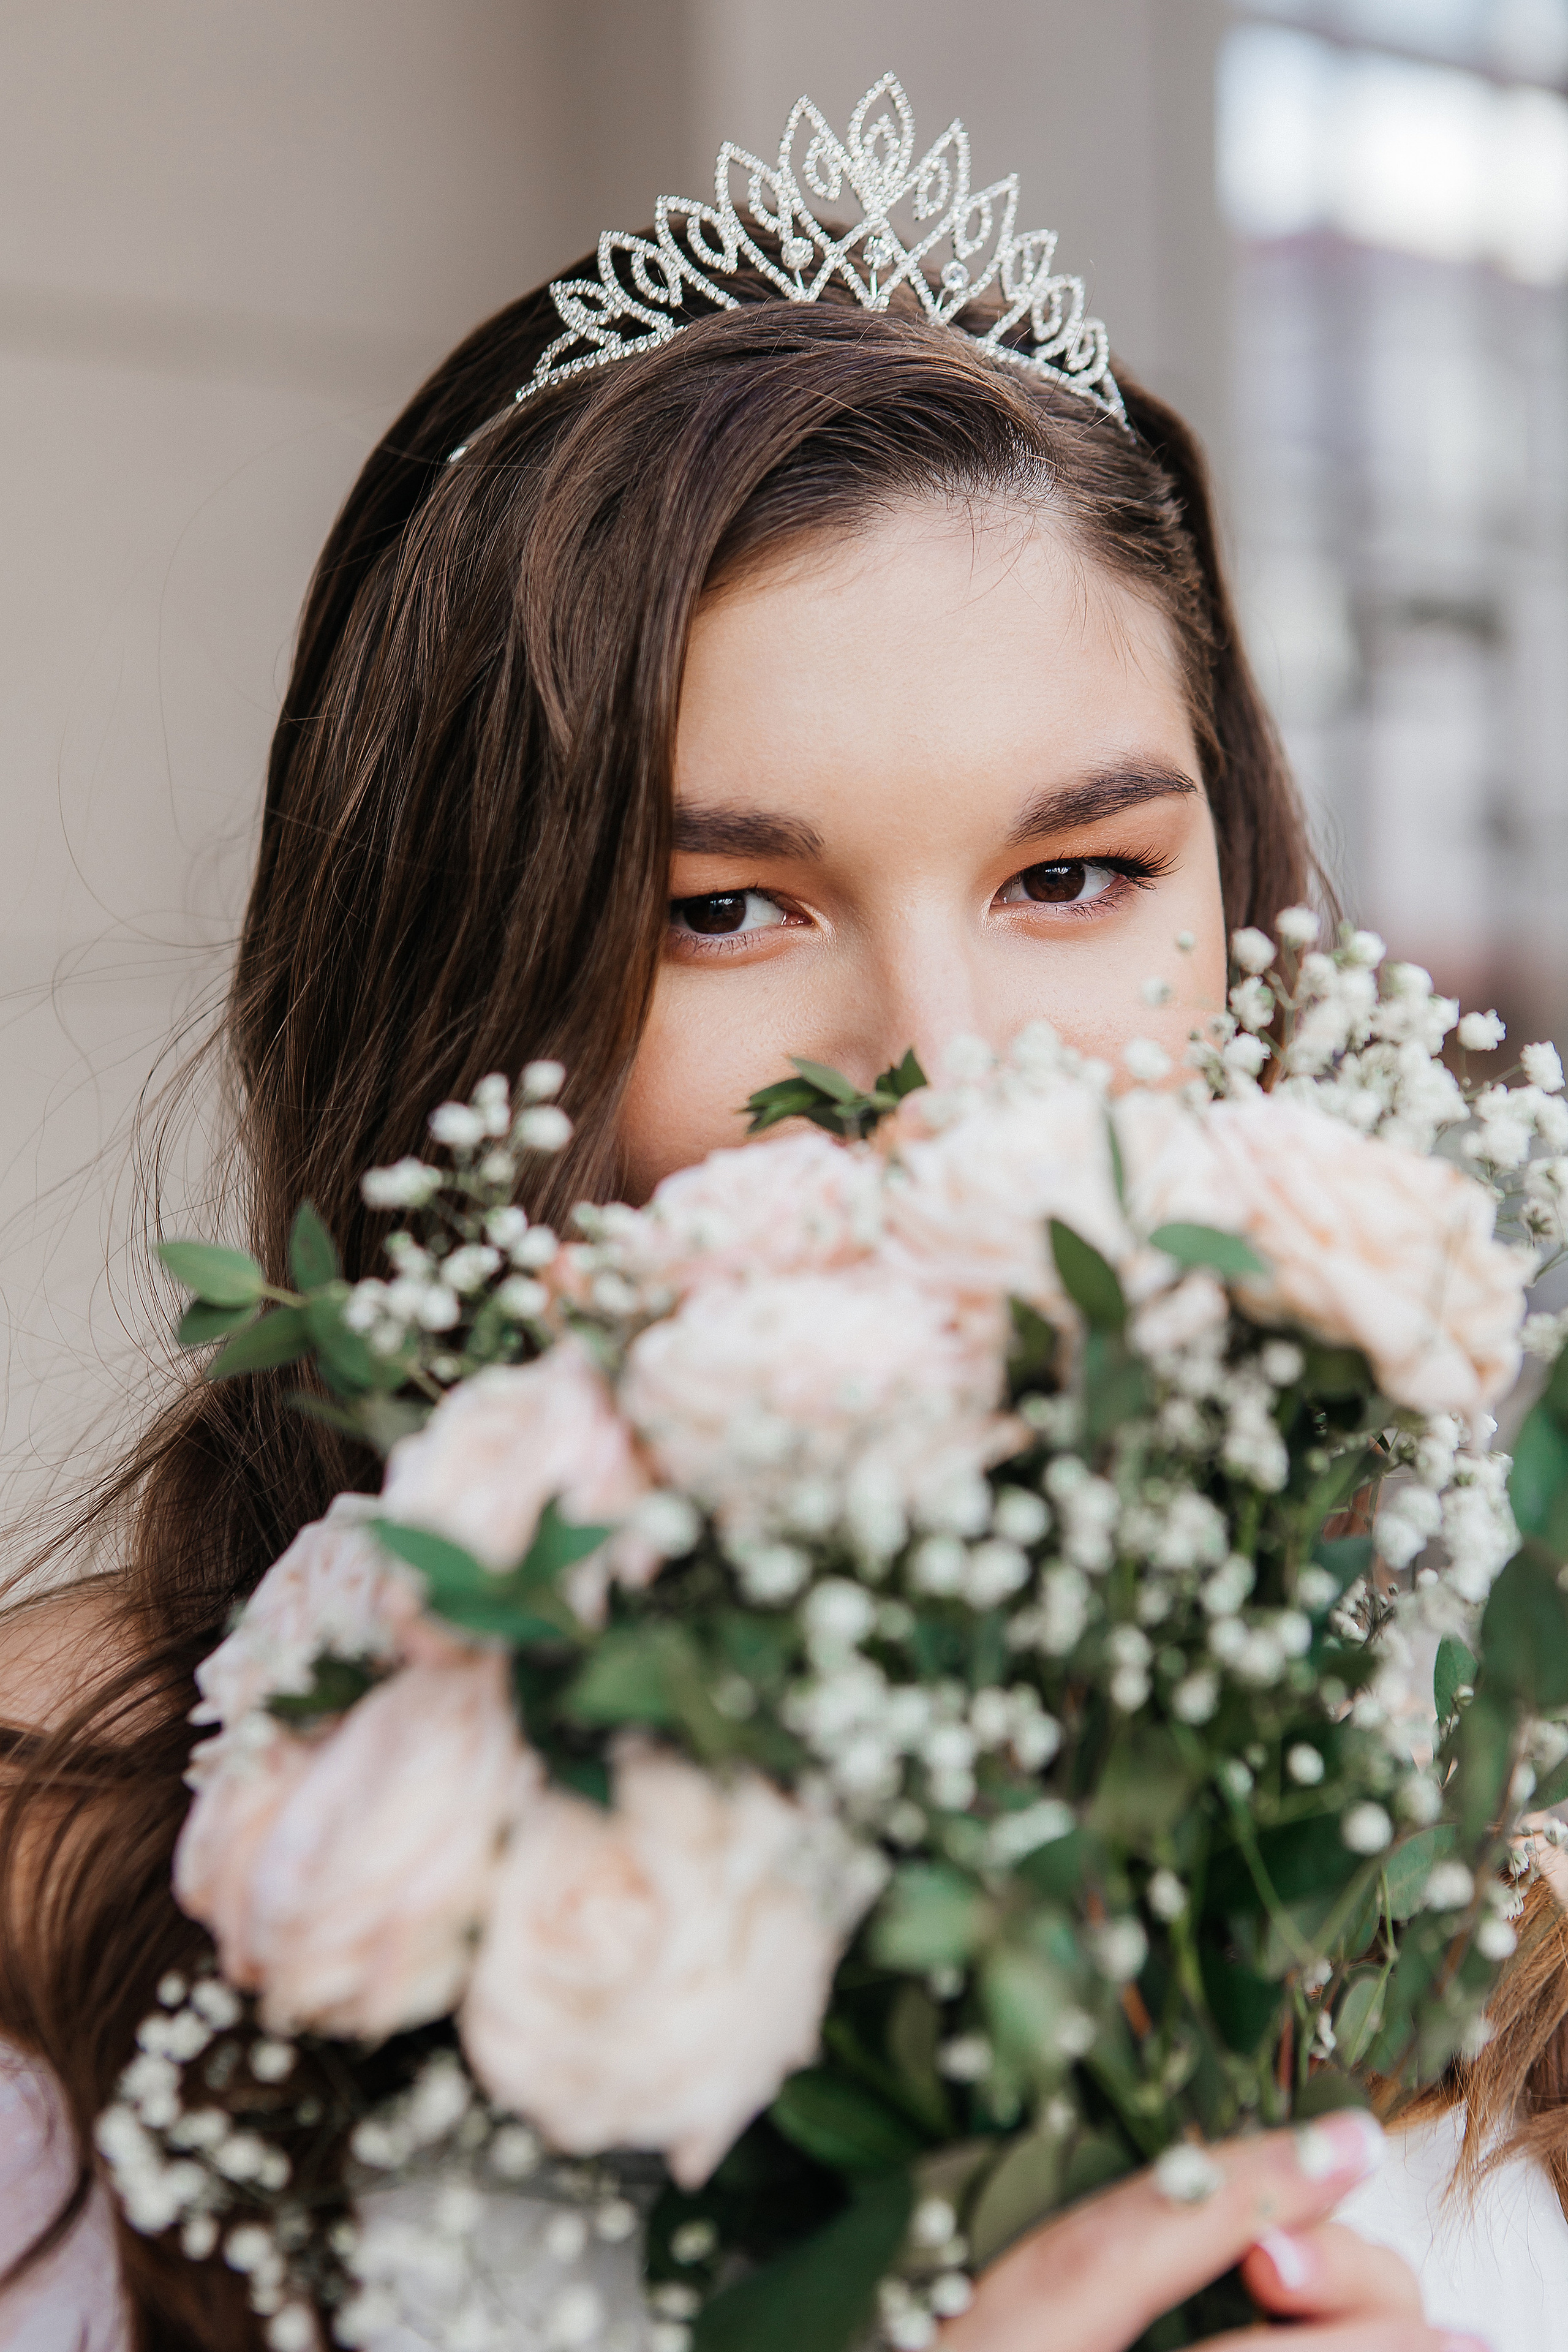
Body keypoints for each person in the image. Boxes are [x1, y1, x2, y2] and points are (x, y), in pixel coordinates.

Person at [0, 73, 1504, 2352]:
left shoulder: (1481, 1809)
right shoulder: (67, 1866)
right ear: (461, 983)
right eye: (725, 908)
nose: (945, 1071)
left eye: (1076, 877)